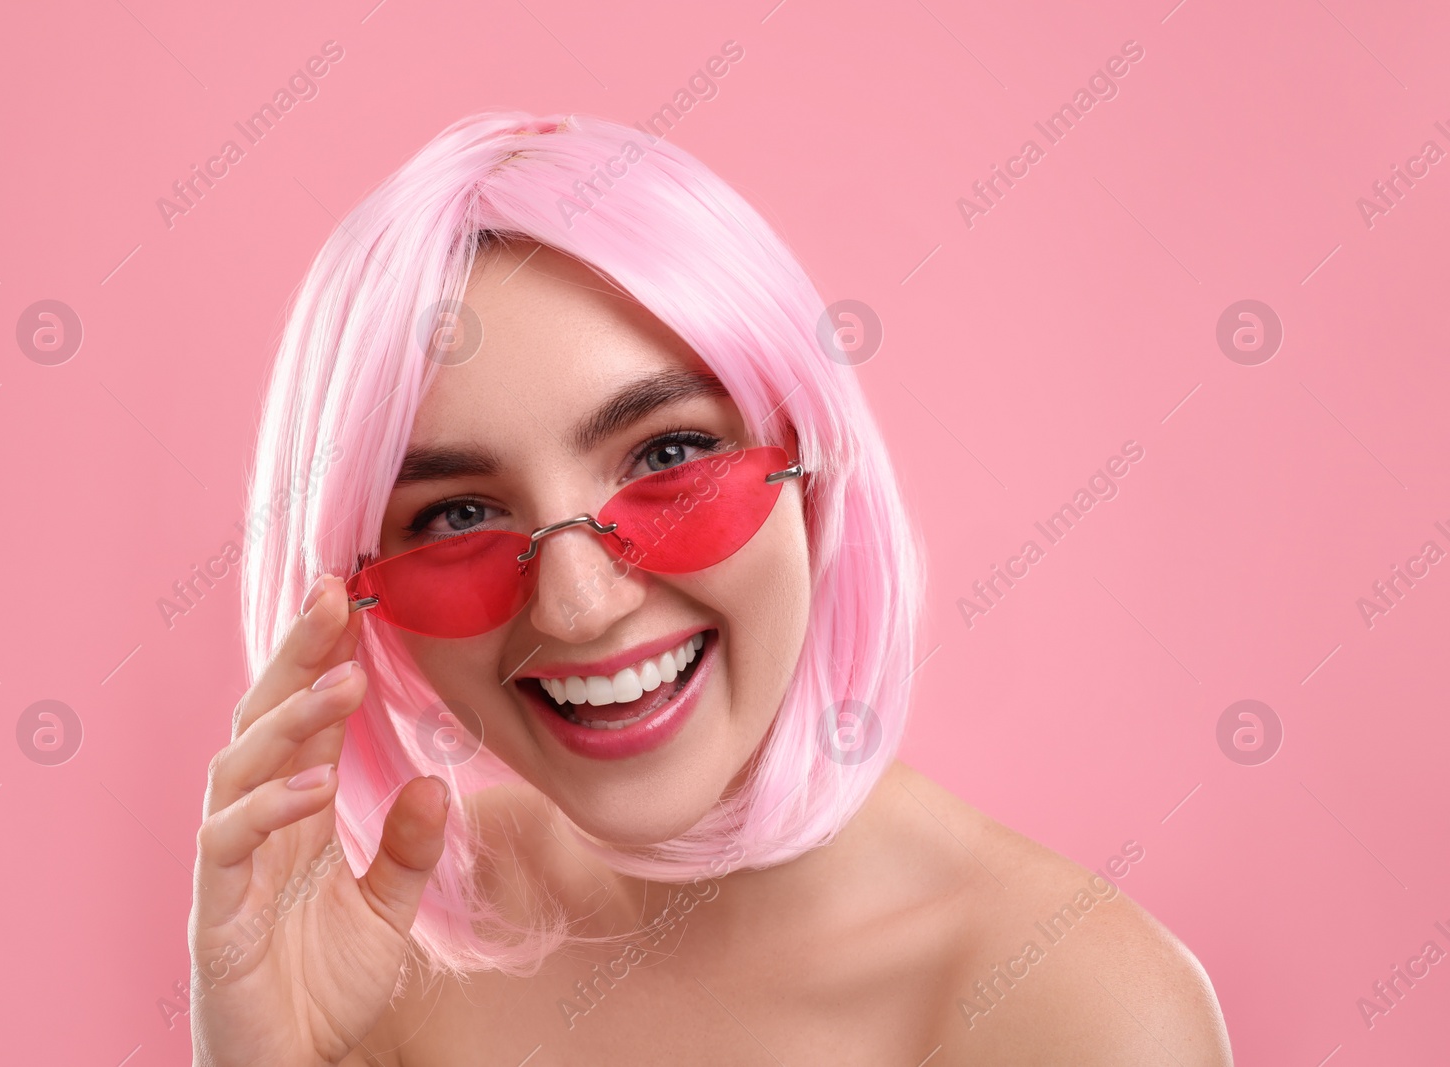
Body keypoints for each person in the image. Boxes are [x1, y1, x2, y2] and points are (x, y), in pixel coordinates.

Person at [189, 111, 1232, 1065]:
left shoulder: (1074, 1008)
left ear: (810, 465)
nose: (576, 602)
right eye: (458, 516)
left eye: (668, 455)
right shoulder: (384, 945)